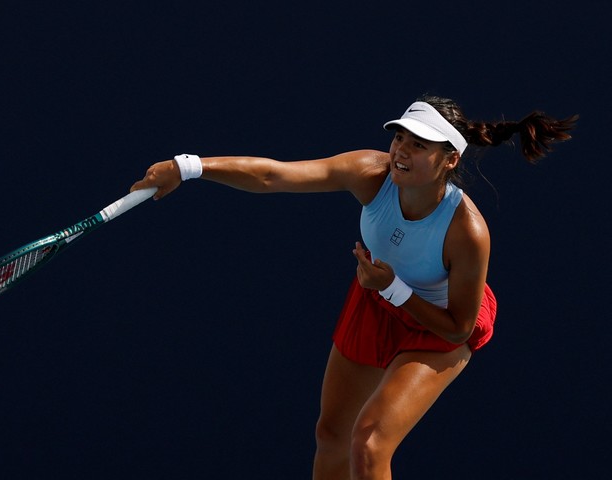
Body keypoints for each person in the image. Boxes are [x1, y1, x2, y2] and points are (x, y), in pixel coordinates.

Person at [130, 95, 577, 480]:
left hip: (437, 326)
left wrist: (395, 289)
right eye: (400, 137)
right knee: (332, 434)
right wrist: (188, 167)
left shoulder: (468, 232)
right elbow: (273, 176)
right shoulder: (370, 172)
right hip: (377, 298)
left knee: (369, 444)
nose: (401, 151)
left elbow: (459, 328)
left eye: (419, 145)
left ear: (450, 160)